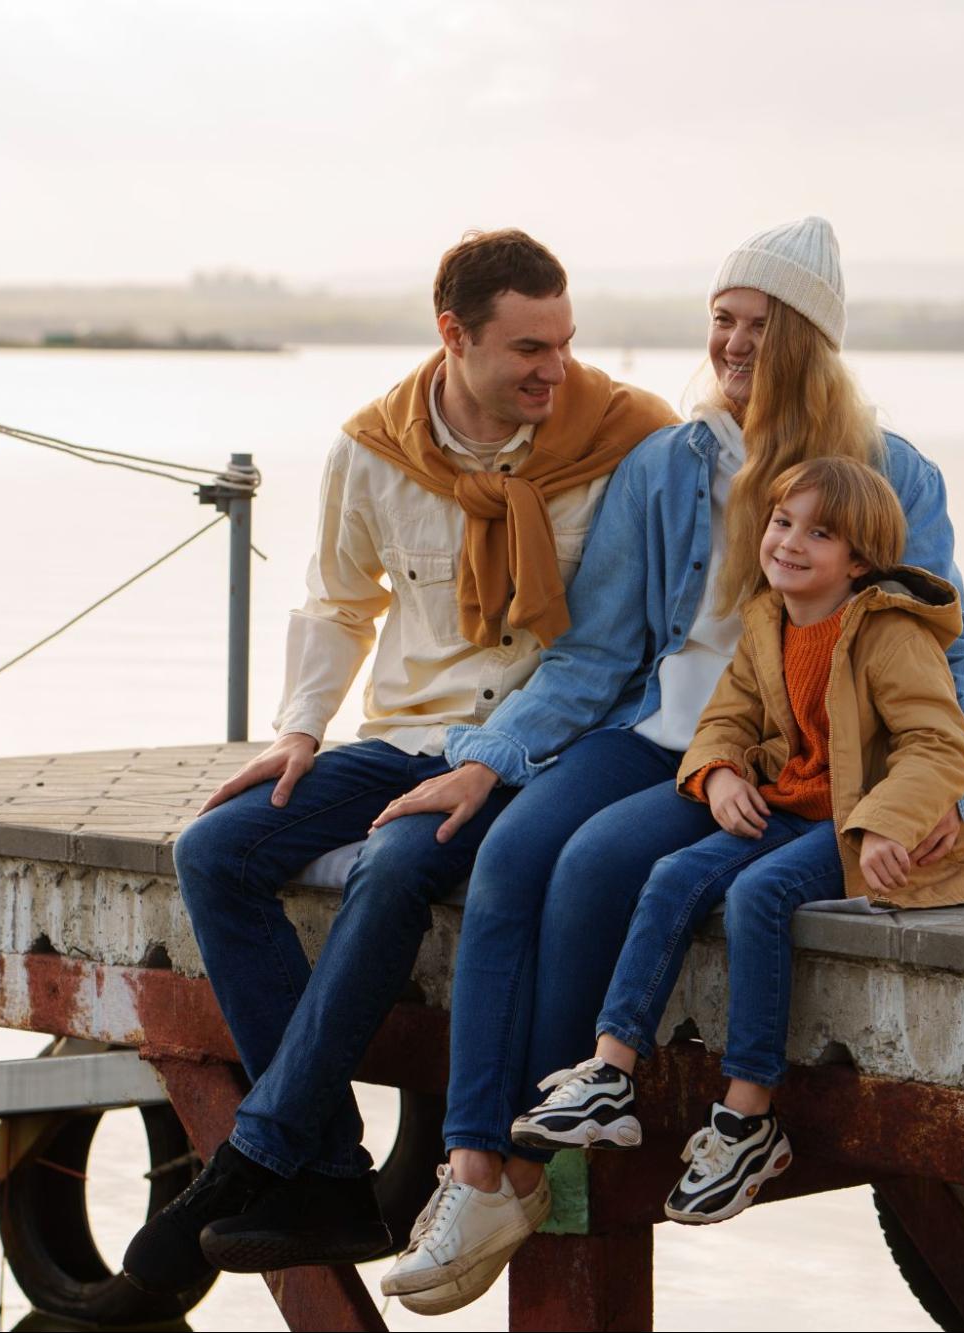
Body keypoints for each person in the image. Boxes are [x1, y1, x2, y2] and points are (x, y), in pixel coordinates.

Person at [372, 217, 964, 1315]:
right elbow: (603, 650)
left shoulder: (884, 477)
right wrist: (492, 756)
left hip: (787, 758)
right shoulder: (669, 464)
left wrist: (945, 783)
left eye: (758, 323)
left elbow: (954, 645)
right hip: (661, 734)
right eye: (721, 319)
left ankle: (530, 1166)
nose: (732, 342)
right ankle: (475, 1168)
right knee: (512, 849)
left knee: (594, 868)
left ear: (807, 338)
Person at [121, 229, 678, 1295]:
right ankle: (326, 1164)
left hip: (539, 752)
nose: (554, 371)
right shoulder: (373, 448)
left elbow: (633, 633)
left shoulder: (623, 437)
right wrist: (295, 731)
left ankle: (258, 1151)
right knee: (216, 850)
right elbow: (339, 603)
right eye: (526, 349)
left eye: (564, 343)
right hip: (402, 735)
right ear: (453, 337)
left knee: (391, 867)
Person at [507, 455, 964, 1227]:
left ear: (859, 560)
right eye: (781, 522)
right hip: (784, 804)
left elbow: (939, 745)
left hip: (852, 821)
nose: (790, 543)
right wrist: (719, 776)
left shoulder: (889, 631)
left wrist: (883, 824)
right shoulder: (765, 622)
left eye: (820, 533)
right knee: (671, 872)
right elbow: (724, 720)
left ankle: (745, 1117)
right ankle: (609, 1072)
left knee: (757, 891)